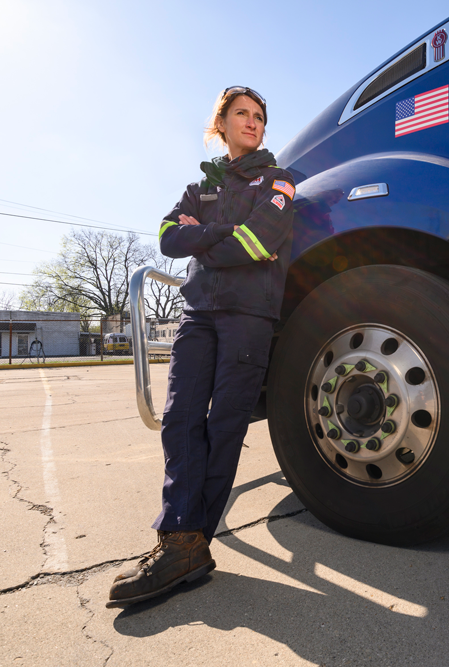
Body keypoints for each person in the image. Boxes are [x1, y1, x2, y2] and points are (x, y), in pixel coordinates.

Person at [107, 86, 296, 608]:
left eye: (260, 116)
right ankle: (180, 539)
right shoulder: (199, 185)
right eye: (242, 114)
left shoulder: (278, 181)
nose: (253, 122)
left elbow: (261, 241)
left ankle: (189, 542)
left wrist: (206, 237)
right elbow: (168, 237)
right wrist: (223, 233)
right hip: (197, 315)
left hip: (248, 315)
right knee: (179, 417)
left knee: (224, 425)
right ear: (222, 123)